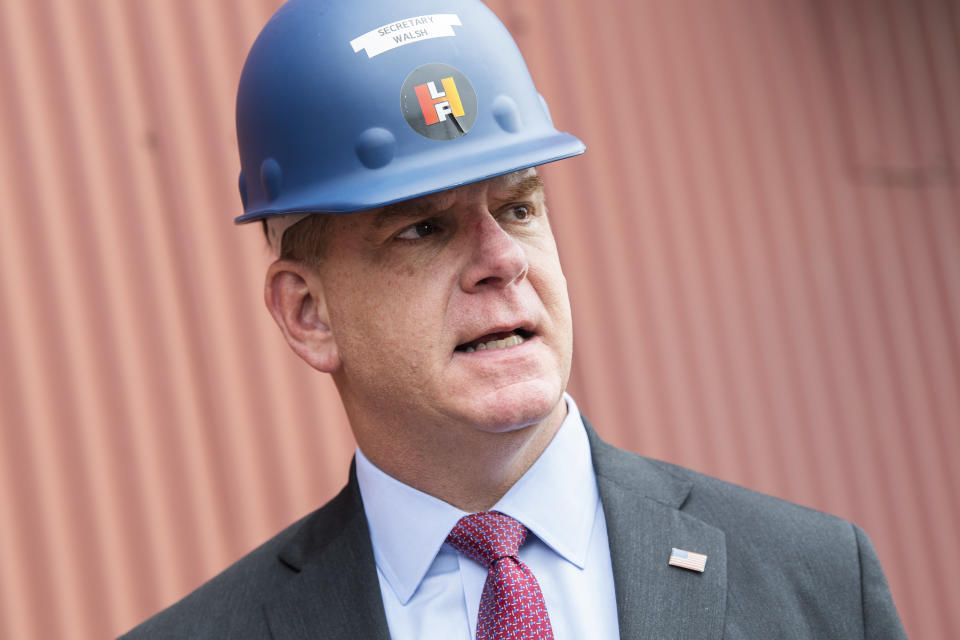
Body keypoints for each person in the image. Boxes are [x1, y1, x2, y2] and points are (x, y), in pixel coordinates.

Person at [121, 0, 907, 638]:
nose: (503, 259)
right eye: (422, 228)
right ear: (307, 313)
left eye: (519, 206)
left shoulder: (819, 584)